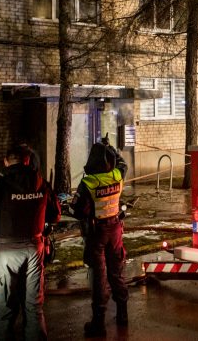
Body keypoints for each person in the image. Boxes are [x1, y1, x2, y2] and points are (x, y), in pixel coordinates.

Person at [0, 142, 61, 341]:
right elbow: (55, 215)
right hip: (34, 250)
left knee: (2, 310)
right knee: (33, 307)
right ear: (27, 161)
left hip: (5, 255)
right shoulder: (41, 183)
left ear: (6, 162)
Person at [73, 141, 129, 336]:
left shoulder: (88, 183)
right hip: (115, 230)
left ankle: (99, 323)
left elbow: (78, 210)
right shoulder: (116, 175)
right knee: (117, 272)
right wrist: (112, 149)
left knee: (99, 276)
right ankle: (123, 314)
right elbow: (123, 165)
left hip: (97, 233)